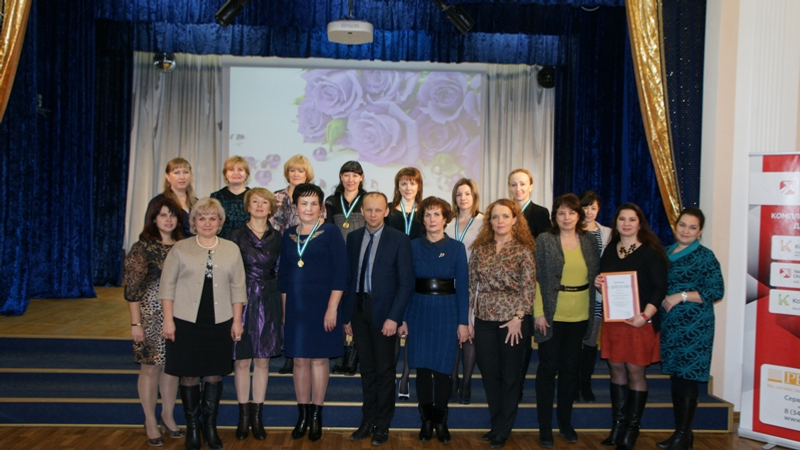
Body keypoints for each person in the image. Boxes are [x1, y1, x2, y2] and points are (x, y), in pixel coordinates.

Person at [159, 197, 247, 450]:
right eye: (201, 218)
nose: (207, 223)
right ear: (193, 222)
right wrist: (168, 320)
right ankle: (193, 427)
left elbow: (238, 288)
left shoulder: (231, 249)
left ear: (220, 222)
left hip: (220, 320)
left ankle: (210, 426)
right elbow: (167, 287)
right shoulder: (180, 248)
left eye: (212, 218)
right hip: (185, 321)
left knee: (213, 373)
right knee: (188, 374)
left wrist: (237, 321)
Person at [341, 192, 415, 446]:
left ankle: (382, 425)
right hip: (358, 310)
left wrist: (394, 317)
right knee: (367, 370)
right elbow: (349, 279)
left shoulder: (399, 240)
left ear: (386, 211)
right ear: (362, 211)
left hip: (385, 314)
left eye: (378, 210)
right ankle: (367, 421)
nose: (373, 214)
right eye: (368, 209)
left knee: (384, 371)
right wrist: (347, 315)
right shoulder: (353, 238)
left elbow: (406, 283)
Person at [593, 202, 668, 450]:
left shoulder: (651, 252)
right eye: (622, 219)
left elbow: (659, 289)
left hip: (640, 322)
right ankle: (617, 425)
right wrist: (599, 284)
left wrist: (645, 316)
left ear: (640, 223)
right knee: (616, 370)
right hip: (615, 322)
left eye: (632, 219)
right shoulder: (610, 251)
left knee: (635, 372)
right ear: (615, 223)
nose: (626, 223)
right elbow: (606, 285)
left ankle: (632, 428)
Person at [279, 183, 347, 443]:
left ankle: (317, 415)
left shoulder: (330, 232)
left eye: (313, 203)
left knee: (319, 360)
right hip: (296, 307)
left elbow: (341, 273)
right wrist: (285, 312)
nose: (308, 208)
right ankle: (303, 415)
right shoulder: (288, 235)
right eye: (303, 203)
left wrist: (332, 308)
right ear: (296, 207)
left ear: (321, 208)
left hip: (323, 306)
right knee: (299, 361)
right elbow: (284, 276)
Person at [397, 197, 469, 445]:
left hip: (447, 312)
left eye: (437, 214)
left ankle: (440, 421)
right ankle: (426, 420)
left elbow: (463, 288)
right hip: (418, 311)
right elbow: (406, 285)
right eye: (427, 215)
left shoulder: (457, 248)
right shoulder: (412, 246)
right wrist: (403, 318)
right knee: (423, 369)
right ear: (422, 219)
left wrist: (463, 322)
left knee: (442, 370)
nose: (432, 219)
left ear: (445, 219)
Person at [533, 194, 600, 447]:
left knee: (571, 371)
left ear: (579, 216)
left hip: (580, 315)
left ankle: (565, 422)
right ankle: (545, 426)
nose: (566, 217)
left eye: (571, 212)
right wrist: (539, 312)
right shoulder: (544, 240)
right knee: (548, 369)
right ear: (554, 216)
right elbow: (535, 278)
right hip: (551, 316)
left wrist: (600, 282)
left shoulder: (589, 241)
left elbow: (595, 275)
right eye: (561, 213)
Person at [469, 199, 537, 449]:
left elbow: (529, 288)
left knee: (510, 376)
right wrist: (468, 319)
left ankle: (503, 429)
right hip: (483, 319)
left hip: (513, 322)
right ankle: (497, 422)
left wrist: (519, 318)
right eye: (495, 217)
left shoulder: (523, 250)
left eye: (505, 216)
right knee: (489, 374)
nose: (500, 221)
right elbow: (471, 285)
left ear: (515, 220)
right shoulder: (480, 249)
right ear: (489, 221)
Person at [657, 207, 724, 450]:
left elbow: (716, 291)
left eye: (692, 227)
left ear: (700, 231)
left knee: (687, 379)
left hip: (695, 328)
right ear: (675, 226)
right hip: (671, 326)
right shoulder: (666, 252)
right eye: (682, 225)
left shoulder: (705, 256)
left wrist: (682, 296)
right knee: (677, 378)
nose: (686, 231)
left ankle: (682, 434)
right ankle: (682, 435)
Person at [124, 197, 186, 447]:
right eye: (163, 215)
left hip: (180, 314)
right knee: (151, 368)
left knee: (172, 368)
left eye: (172, 214)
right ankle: (150, 419)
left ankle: (167, 416)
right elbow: (132, 289)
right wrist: (135, 324)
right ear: (153, 218)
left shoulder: (184, 246)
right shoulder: (142, 247)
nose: (168, 219)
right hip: (150, 315)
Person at [229, 188, 282, 441]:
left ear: (271, 208)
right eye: (255, 201)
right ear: (247, 207)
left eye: (264, 202)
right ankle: (243, 417)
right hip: (242, 300)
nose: (260, 205)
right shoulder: (236, 235)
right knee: (241, 361)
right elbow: (230, 274)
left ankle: (257, 418)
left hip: (269, 300)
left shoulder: (278, 237)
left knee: (262, 361)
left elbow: (280, 272)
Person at [271, 154, 318, 374]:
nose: (296, 174)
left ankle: (303, 349)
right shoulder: (277, 197)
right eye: (292, 170)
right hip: (285, 253)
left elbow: (320, 226)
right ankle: (289, 351)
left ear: (307, 173)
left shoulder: (315, 196)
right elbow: (272, 226)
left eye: (300, 170)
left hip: (308, 256)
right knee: (286, 304)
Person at [507, 168, 550, 392]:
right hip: (506, 283)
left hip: (528, 280)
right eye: (514, 184)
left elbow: (541, 249)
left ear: (531, 186)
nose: (518, 189)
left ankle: (519, 383)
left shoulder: (540, 213)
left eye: (523, 184)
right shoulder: (504, 210)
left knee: (524, 336)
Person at [385, 167, 425, 400]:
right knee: (394, 322)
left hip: (419, 273)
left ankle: (406, 376)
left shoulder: (425, 212)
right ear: (397, 186)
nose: (408, 187)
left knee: (413, 327)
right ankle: (390, 375)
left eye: (412, 183)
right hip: (393, 274)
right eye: (404, 183)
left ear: (419, 186)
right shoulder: (389, 211)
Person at [443, 178, 484, 405]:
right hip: (450, 285)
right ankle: (453, 379)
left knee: (469, 333)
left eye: (467, 194)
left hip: (475, 284)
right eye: (459, 194)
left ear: (474, 196)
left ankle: (466, 382)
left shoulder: (484, 222)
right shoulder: (448, 222)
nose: (463, 198)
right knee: (452, 333)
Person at [325, 161, 367, 376]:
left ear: (361, 178)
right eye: (346, 175)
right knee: (338, 305)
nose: (350, 179)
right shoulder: (331, 201)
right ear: (341, 177)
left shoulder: (367, 199)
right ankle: (340, 353)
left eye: (355, 175)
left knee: (358, 307)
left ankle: (355, 354)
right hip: (336, 259)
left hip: (361, 258)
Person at [577, 190, 612, 402]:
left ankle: (585, 383)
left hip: (597, 294)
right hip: (575, 294)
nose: (589, 212)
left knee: (590, 341)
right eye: (585, 207)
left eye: (593, 208)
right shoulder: (571, 230)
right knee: (574, 342)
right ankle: (572, 384)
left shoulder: (607, 233)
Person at [147, 157, 197, 238]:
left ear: (191, 175)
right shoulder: (158, 202)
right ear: (167, 176)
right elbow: (150, 231)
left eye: (185, 172)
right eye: (177, 173)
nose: (182, 177)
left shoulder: (197, 203)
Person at [211, 155, 251, 239]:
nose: (236, 173)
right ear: (225, 174)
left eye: (240, 169)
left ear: (246, 174)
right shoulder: (216, 197)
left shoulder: (253, 196)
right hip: (222, 242)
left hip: (249, 243)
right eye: (231, 169)